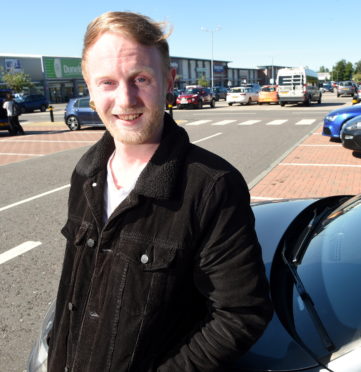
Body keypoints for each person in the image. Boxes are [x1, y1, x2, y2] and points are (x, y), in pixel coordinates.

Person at [47, 11, 273, 372]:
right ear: (89, 88)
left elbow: (241, 314)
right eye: (107, 82)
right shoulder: (86, 172)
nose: (125, 100)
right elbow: (74, 287)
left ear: (168, 80)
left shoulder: (212, 186)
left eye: (141, 78)